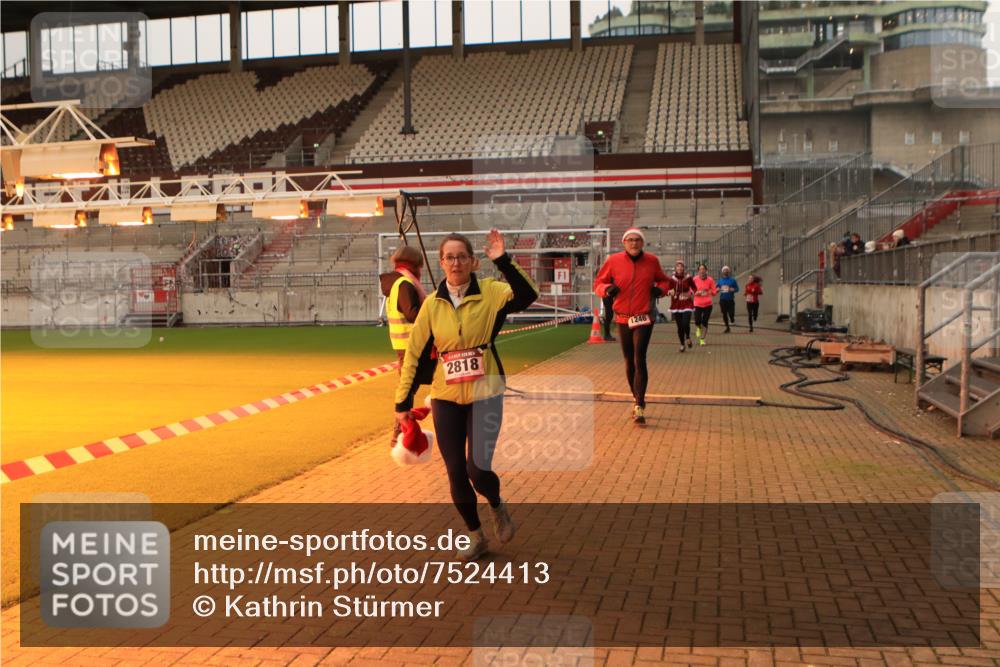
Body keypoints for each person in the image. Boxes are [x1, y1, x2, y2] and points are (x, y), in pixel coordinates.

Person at [394, 229, 538, 561]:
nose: (456, 262)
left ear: (473, 261)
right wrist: (402, 402)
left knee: (478, 468)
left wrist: (503, 260)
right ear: (441, 262)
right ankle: (476, 536)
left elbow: (528, 294)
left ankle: (498, 506)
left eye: (462, 256)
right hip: (446, 396)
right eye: (449, 257)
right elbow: (414, 355)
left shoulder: (490, 292)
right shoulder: (432, 304)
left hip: (485, 391)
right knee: (456, 471)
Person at [594, 227, 670, 425]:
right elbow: (598, 284)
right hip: (622, 318)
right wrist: (607, 288)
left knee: (639, 357)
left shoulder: (652, 261)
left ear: (642, 243)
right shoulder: (613, 261)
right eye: (630, 240)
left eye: (637, 240)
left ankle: (639, 403)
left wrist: (659, 290)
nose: (634, 243)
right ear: (624, 243)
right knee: (629, 360)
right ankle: (635, 397)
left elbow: (664, 280)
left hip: (644, 316)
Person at [379, 246, 434, 445]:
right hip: (412, 345)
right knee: (407, 391)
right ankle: (399, 436)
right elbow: (412, 314)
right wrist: (432, 309)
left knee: (407, 390)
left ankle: (400, 434)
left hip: (405, 344)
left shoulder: (397, 282)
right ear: (415, 264)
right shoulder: (404, 284)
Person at [668, 260, 695, 353]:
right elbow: (669, 289)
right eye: (678, 267)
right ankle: (682, 344)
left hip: (687, 302)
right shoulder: (672, 279)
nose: (679, 268)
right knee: (679, 327)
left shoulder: (688, 278)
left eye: (681, 266)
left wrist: (690, 293)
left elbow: (694, 287)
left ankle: (687, 336)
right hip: (676, 304)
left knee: (685, 323)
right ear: (675, 268)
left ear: (684, 268)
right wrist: (669, 292)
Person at [691, 263, 717, 346]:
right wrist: (696, 292)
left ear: (706, 270)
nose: (702, 271)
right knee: (697, 321)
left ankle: (702, 339)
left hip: (708, 304)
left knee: (705, 322)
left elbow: (714, 291)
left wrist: (710, 292)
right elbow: (691, 290)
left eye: (703, 269)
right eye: (700, 269)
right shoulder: (694, 279)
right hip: (697, 304)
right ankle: (698, 327)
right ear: (698, 271)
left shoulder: (710, 280)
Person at [716, 266, 739, 333]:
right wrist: (717, 289)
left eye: (727, 270)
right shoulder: (720, 281)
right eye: (724, 270)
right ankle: (727, 327)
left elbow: (737, 289)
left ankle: (732, 319)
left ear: (729, 271)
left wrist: (733, 289)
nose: (725, 271)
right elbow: (715, 289)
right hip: (723, 300)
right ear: (722, 272)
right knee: (724, 314)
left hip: (730, 300)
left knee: (731, 313)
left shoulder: (733, 280)